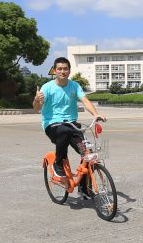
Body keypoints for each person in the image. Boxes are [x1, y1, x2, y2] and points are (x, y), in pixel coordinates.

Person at [34, 57, 104, 186]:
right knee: (64, 131)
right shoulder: (47, 87)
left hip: (72, 124)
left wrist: (96, 114)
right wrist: (36, 100)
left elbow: (85, 101)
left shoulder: (74, 85)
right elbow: (37, 108)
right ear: (54, 71)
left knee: (88, 154)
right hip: (52, 124)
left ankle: (84, 188)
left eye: (65, 69)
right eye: (59, 69)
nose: (62, 71)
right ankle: (58, 164)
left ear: (69, 71)